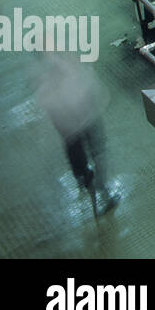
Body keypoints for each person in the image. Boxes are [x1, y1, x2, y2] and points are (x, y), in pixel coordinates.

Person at [33, 52, 118, 217]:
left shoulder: (45, 75)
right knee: (96, 152)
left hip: (72, 128)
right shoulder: (60, 68)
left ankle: (91, 183)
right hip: (82, 122)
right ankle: (98, 186)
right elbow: (85, 85)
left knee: (84, 157)